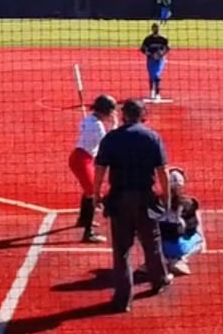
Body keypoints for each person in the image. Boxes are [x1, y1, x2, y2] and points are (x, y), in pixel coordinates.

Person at [93, 98, 172, 311]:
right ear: (142, 115)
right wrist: (166, 197)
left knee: (122, 250)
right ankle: (159, 281)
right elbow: (162, 171)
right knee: (152, 243)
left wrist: (96, 193)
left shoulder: (111, 138)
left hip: (119, 199)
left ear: (124, 115)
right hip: (145, 199)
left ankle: (123, 299)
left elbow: (100, 169)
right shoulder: (152, 137)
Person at [70, 94, 118, 243]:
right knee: (92, 194)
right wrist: (114, 124)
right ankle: (88, 233)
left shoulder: (88, 120)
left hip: (80, 157)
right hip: (82, 160)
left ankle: (83, 219)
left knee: (88, 191)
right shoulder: (97, 126)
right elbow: (109, 143)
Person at [159, 166, 204, 277]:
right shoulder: (189, 203)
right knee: (200, 242)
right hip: (177, 248)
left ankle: (156, 259)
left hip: (156, 246)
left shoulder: (155, 201)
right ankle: (179, 259)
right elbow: (191, 228)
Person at [141, 23, 169, 101]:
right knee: (151, 76)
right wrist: (150, 54)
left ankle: (157, 93)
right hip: (150, 59)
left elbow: (167, 48)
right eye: (154, 28)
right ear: (152, 29)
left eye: (157, 28)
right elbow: (142, 48)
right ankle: (151, 91)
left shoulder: (163, 38)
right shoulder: (148, 39)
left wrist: (161, 54)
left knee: (157, 75)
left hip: (160, 60)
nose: (156, 30)